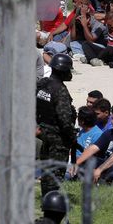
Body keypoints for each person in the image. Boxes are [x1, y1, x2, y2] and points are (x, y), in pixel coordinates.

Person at [36, 53, 77, 196]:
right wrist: (73, 137)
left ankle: (46, 199)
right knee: (55, 173)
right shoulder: (60, 90)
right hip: (58, 138)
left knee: (46, 171)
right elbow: (65, 120)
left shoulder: (42, 85)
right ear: (63, 70)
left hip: (44, 133)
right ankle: (52, 205)